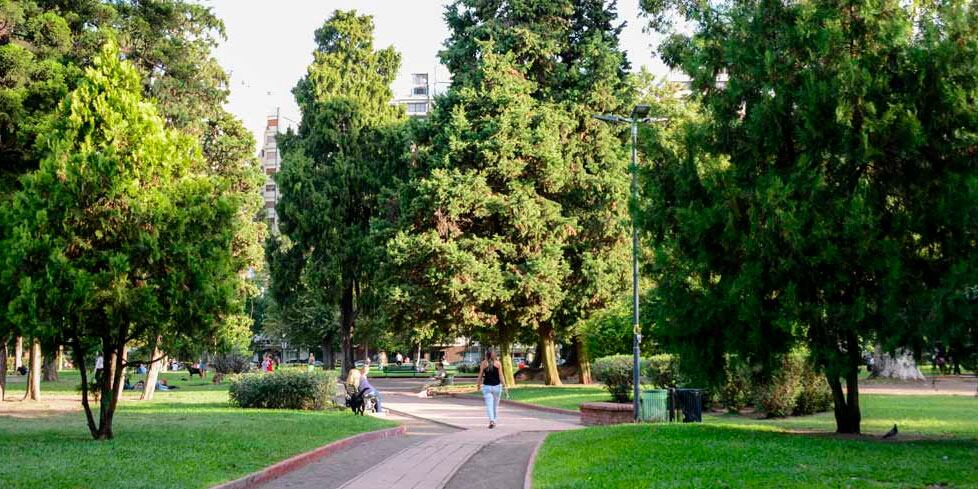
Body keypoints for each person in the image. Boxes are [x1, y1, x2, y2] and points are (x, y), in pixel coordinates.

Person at [476, 350, 504, 429]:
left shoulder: (483, 363)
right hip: (497, 387)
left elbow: (480, 375)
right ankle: (494, 421)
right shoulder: (498, 363)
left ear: (486, 355)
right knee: (495, 406)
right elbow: (501, 375)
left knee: (489, 405)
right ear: (494, 355)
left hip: (487, 387)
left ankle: (491, 420)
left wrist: (478, 384)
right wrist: (505, 386)